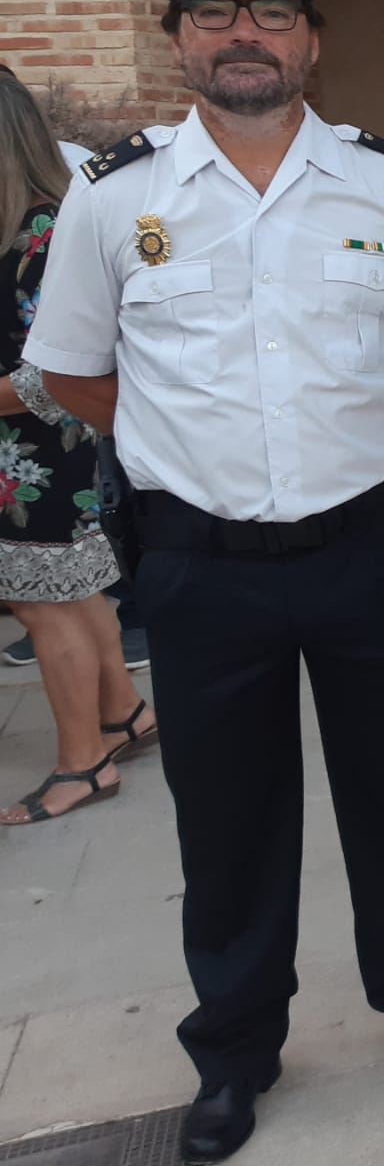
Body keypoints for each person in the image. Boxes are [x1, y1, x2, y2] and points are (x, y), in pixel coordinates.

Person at [25, 0, 384, 1164]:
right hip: (200, 560)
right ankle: (234, 1049)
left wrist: (348, 431)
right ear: (178, 38)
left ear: (312, 40)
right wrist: (188, 449)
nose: (245, 35)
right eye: (216, 13)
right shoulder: (115, 202)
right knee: (224, 820)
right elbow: (73, 371)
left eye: (271, 13)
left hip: (367, 547)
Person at [0, 68, 157, 826]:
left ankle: (82, 763)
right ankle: (124, 714)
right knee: (73, 592)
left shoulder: (43, 228)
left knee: (41, 607)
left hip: (30, 450)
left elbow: (51, 368)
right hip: (32, 448)